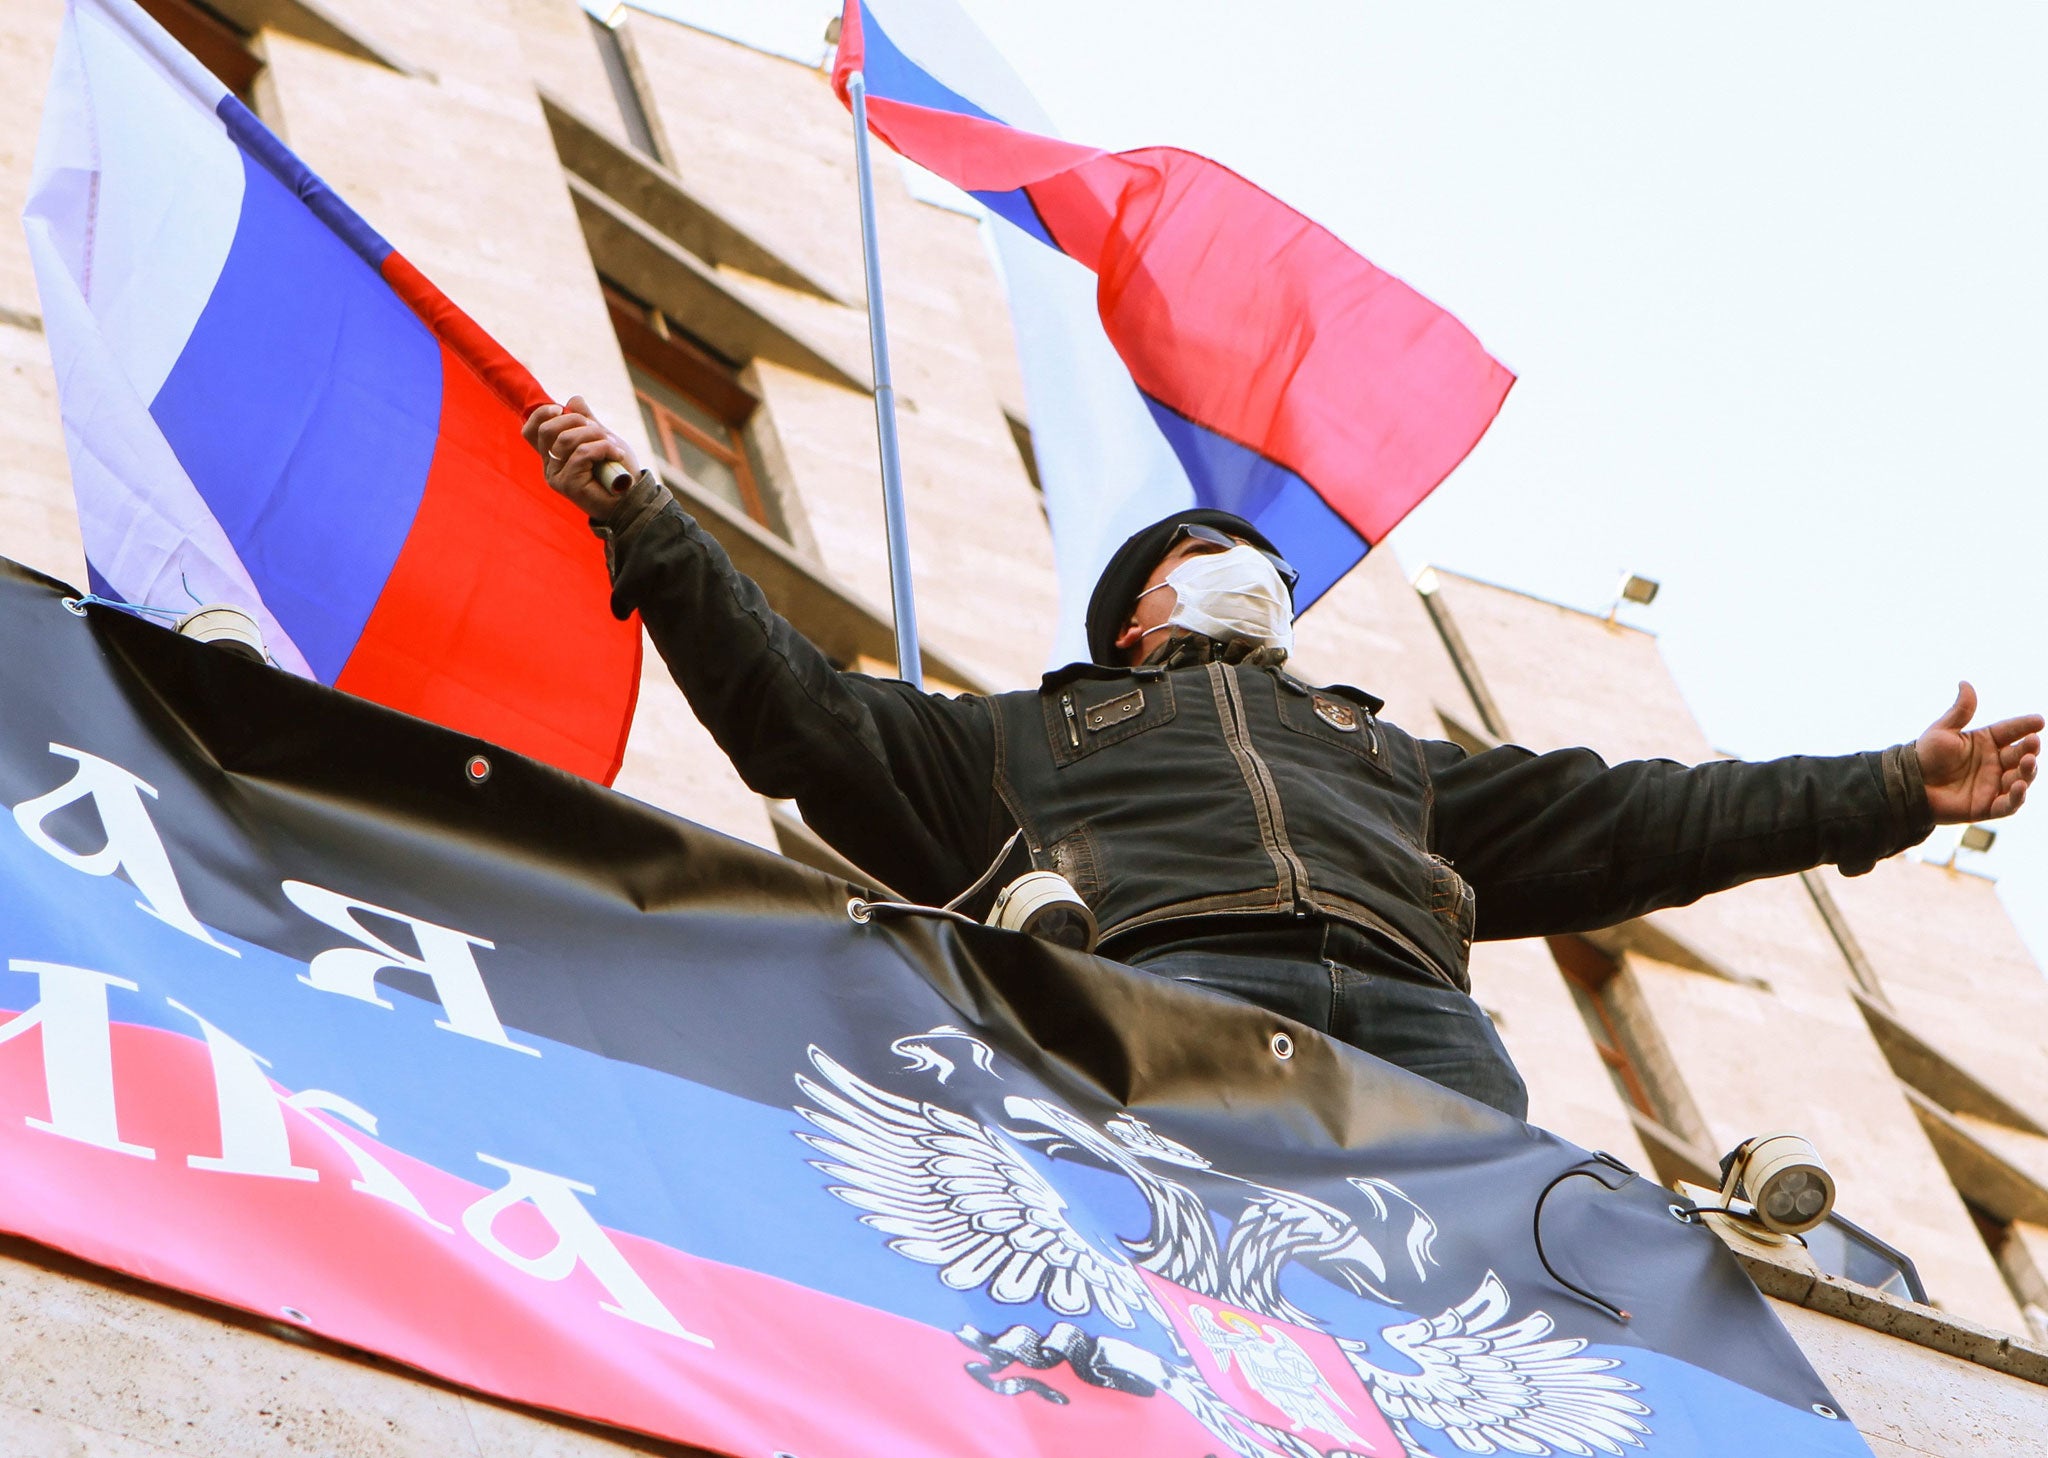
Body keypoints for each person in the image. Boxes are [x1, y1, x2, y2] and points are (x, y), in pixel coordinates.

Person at [523, 397, 2040, 1119]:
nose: (1249, 571)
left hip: (1422, 1029)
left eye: (1263, 562)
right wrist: (651, 525)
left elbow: (1647, 816)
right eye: (1210, 550)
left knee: (1485, 1294)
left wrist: (1894, 789)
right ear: (1135, 617)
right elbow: (796, 711)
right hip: (1173, 988)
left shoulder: (1382, 755)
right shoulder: (1017, 734)